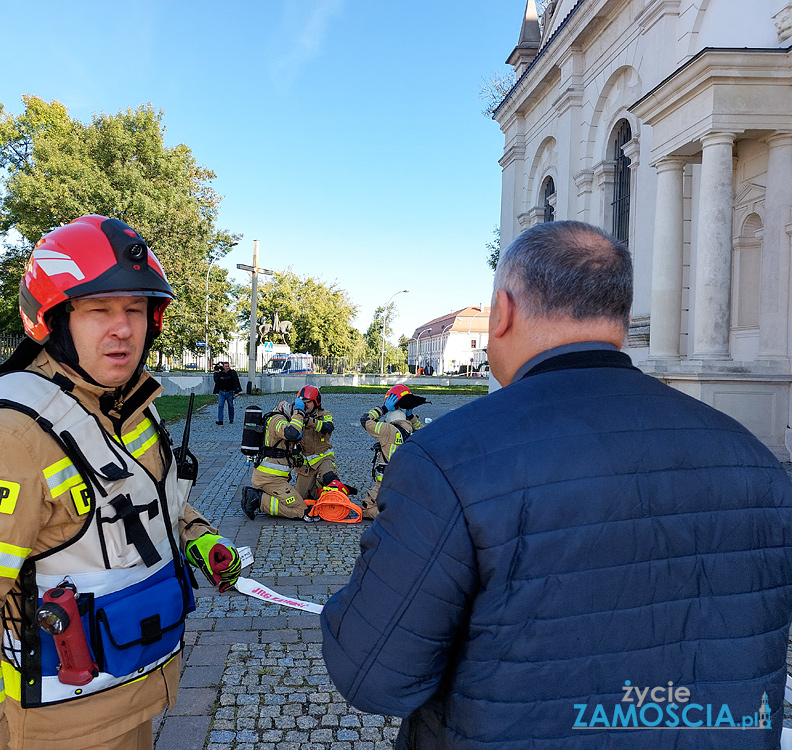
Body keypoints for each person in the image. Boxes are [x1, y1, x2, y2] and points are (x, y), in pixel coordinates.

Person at [322, 220, 792, 749]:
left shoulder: (450, 459)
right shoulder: (753, 457)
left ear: (503, 312)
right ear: (621, 317)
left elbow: (375, 674)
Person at [0, 215, 242, 750]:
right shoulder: (8, 435)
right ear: (54, 321)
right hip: (59, 726)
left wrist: (200, 536)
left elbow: (151, 501)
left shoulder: (128, 407)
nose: (123, 328)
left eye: (135, 310)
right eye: (98, 310)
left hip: (135, 694)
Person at [358, 384, 423, 520]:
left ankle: (395, 516)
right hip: (407, 484)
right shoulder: (413, 431)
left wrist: (383, 409)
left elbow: (365, 420)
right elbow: (425, 431)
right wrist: (411, 417)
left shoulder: (388, 429)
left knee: (365, 509)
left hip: (385, 485)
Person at [241, 398, 312, 521]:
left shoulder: (280, 419)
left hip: (275, 479)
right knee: (301, 510)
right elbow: (292, 432)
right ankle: (258, 500)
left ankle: (263, 497)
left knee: (295, 501)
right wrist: (299, 413)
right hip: (270, 479)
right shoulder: (277, 420)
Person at [292, 385, 347, 500]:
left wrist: (308, 420)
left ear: (316, 402)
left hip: (323, 458)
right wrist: (281, 406)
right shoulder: (297, 415)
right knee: (302, 497)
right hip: (306, 463)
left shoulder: (325, 414)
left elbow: (328, 427)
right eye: (302, 402)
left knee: (331, 480)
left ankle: (335, 493)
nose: (305, 405)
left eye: (308, 402)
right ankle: (319, 488)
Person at [212, 360, 242, 425]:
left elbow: (236, 382)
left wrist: (236, 391)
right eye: (225, 366)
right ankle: (220, 420)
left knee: (230, 406)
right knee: (220, 406)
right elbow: (216, 381)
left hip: (230, 392)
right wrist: (216, 372)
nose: (227, 367)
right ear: (223, 367)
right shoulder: (220, 373)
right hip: (222, 392)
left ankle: (231, 419)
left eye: (228, 366)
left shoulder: (232, 373)